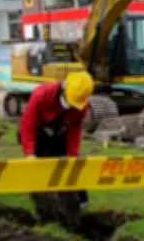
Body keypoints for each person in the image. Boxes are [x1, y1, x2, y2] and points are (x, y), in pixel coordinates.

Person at [18, 71, 94, 208]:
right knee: (42, 164)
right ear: (64, 88)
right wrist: (30, 153)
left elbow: (75, 130)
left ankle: (81, 202)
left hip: (59, 132)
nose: (72, 106)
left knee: (70, 164)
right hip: (39, 132)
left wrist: (72, 154)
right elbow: (27, 125)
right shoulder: (41, 96)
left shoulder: (81, 106)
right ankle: (44, 202)